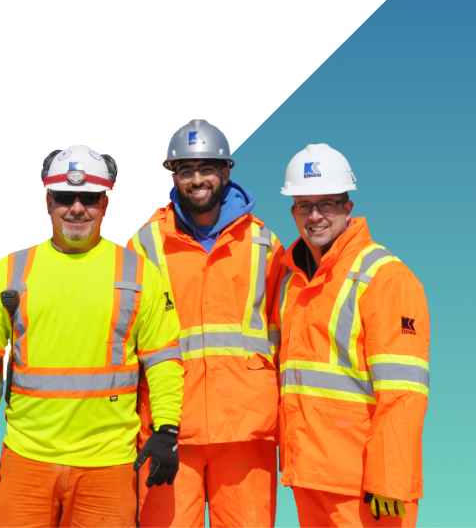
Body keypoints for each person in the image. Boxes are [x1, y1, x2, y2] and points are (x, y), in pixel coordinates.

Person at [0, 145, 184, 528]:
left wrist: (167, 429)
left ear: (105, 204)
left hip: (108, 464)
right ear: (48, 201)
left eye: (89, 197)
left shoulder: (138, 272)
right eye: (65, 197)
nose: (77, 208)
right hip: (26, 458)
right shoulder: (11, 270)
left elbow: (162, 361)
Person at [127, 119, 286, 527]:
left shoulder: (264, 244)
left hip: (246, 428)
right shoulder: (144, 244)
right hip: (170, 428)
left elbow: (286, 335)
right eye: (186, 170)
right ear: (174, 176)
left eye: (206, 168)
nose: (197, 180)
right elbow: (128, 339)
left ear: (226, 171)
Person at [276, 144, 429, 527]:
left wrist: (389, 478)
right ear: (293, 210)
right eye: (304, 205)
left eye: (327, 203)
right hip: (309, 475)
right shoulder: (294, 279)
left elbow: (403, 391)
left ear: (347, 207)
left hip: (366, 485)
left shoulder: (385, 277)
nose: (315, 216)